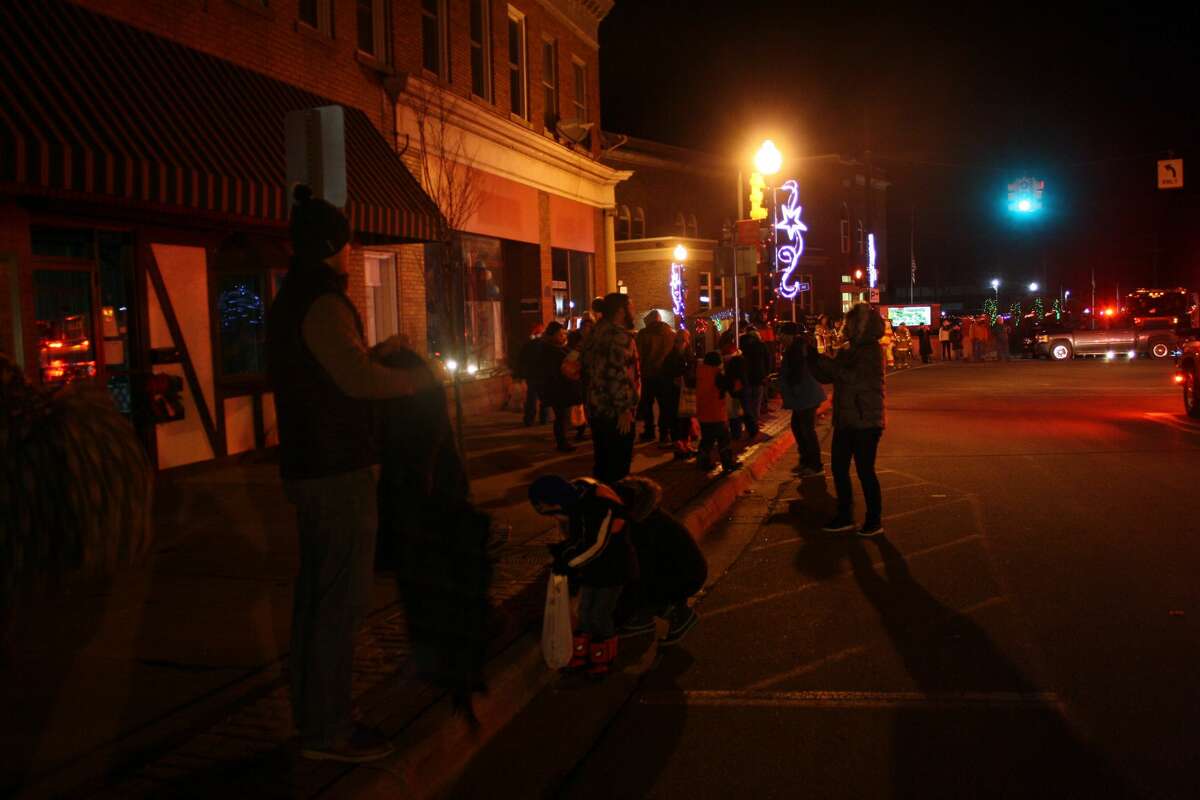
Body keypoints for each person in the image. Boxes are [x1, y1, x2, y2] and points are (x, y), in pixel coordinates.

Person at [266, 185, 426, 763]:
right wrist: (413, 381)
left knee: (317, 600)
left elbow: (334, 368)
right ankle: (329, 729)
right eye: (348, 241)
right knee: (337, 604)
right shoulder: (323, 302)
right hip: (335, 469)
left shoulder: (296, 300)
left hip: (313, 466)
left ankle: (317, 718)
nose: (354, 250)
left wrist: (378, 350)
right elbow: (354, 382)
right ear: (331, 245)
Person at [373, 337, 491, 721]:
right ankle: (451, 657)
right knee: (439, 582)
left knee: (423, 584)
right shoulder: (424, 392)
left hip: (420, 501)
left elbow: (407, 451)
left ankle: (437, 657)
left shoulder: (402, 401)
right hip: (437, 498)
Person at [530, 475, 638, 678]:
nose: (556, 518)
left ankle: (603, 657)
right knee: (585, 610)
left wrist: (568, 564)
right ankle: (582, 652)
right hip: (592, 567)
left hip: (614, 566)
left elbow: (596, 544)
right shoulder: (578, 497)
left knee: (600, 613)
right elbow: (580, 537)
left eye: (554, 512)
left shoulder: (598, 504)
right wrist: (565, 552)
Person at [811, 302, 886, 537]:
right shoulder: (848, 348)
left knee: (865, 470)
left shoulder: (871, 350)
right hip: (846, 418)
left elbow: (850, 377)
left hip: (865, 419)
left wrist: (825, 362)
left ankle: (873, 520)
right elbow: (828, 374)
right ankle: (845, 514)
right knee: (839, 468)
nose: (846, 326)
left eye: (850, 322)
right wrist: (812, 358)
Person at [612, 476, 706, 645]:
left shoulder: (647, 528)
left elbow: (642, 571)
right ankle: (644, 613)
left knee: (633, 579)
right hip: (679, 570)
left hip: (685, 576)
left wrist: (620, 614)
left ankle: (675, 612)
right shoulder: (648, 518)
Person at [581, 293, 641, 485]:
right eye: (631, 307)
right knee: (618, 467)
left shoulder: (595, 333)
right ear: (621, 311)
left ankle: (601, 504)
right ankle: (616, 507)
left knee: (602, 462)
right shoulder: (619, 337)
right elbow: (617, 374)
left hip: (597, 407)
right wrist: (623, 408)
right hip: (615, 412)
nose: (634, 311)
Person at [779, 321, 825, 477]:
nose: (780, 337)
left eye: (782, 334)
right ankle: (806, 461)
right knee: (798, 428)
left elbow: (796, 373)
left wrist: (791, 388)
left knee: (806, 430)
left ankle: (815, 465)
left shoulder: (797, 350)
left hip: (805, 395)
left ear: (789, 335)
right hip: (803, 395)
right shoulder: (797, 348)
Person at [695, 349, 741, 475]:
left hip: (703, 413)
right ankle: (728, 464)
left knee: (707, 440)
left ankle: (702, 462)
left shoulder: (700, 373)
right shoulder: (718, 375)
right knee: (724, 440)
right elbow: (733, 389)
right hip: (716, 414)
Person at [635, 310, 677, 445]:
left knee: (647, 404)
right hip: (665, 374)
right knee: (665, 405)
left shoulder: (643, 334)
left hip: (649, 374)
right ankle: (664, 433)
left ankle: (649, 431)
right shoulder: (671, 333)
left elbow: (639, 355)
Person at [540, 321, 577, 452]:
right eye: (560, 334)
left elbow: (571, 356)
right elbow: (553, 370)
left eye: (563, 334)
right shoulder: (549, 349)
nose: (563, 336)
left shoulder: (562, 347)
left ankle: (563, 440)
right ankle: (562, 442)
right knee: (561, 417)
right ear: (553, 335)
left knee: (564, 416)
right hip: (557, 388)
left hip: (564, 387)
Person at [661, 328, 698, 459]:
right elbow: (666, 374)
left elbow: (693, 369)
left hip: (686, 392)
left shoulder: (688, 355)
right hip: (674, 393)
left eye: (683, 340)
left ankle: (685, 444)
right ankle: (679, 446)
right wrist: (674, 379)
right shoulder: (671, 357)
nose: (681, 343)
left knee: (686, 419)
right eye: (678, 340)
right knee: (676, 420)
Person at [738, 324, 771, 438]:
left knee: (747, 402)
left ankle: (749, 424)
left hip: (746, 377)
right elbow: (768, 360)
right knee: (756, 401)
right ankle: (754, 423)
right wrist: (766, 373)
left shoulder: (741, 345)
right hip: (758, 376)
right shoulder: (761, 346)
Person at [517, 323, 549, 426]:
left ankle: (529, 419)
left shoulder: (528, 344)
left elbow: (522, 359)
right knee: (543, 398)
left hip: (532, 374)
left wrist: (522, 374)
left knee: (531, 397)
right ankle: (544, 419)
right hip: (543, 374)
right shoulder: (546, 345)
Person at [564, 330, 588, 441]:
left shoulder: (575, 351)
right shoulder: (575, 352)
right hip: (580, 384)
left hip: (583, 384)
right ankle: (580, 431)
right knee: (579, 409)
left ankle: (580, 430)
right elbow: (567, 368)